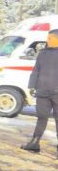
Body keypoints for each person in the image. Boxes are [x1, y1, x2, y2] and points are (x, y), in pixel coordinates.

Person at [21, 28, 58, 156]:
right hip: (43, 92)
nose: (47, 40)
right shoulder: (43, 53)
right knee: (42, 117)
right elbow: (36, 70)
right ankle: (35, 143)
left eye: (50, 38)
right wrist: (31, 86)